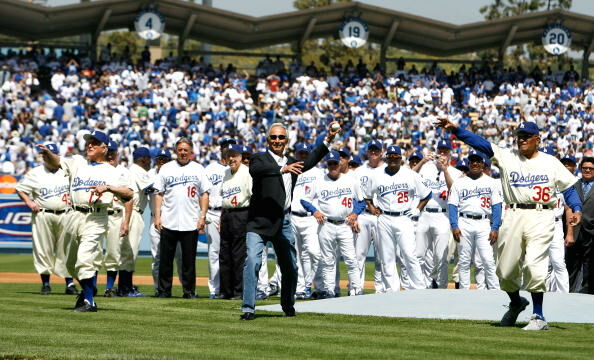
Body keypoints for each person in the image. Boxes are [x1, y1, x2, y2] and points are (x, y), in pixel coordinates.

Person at [435, 119, 582, 331]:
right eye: (519, 136)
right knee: (504, 270)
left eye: (526, 136)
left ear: (537, 139)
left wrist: (576, 208)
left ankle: (538, 316)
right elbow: (480, 143)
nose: (521, 139)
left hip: (541, 214)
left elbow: (569, 188)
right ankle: (515, 302)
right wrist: (456, 130)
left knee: (535, 265)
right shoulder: (507, 156)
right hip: (512, 213)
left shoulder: (551, 162)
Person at [239, 122, 339, 320]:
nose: (277, 141)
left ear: (287, 140)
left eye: (281, 138)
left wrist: (327, 139)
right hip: (259, 221)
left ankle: (287, 304)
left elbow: (310, 161)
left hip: (283, 219)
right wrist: (282, 169)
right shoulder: (260, 158)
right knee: (252, 262)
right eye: (274, 137)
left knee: (291, 266)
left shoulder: (292, 162)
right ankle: (248, 308)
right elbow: (257, 170)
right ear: (268, 140)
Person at [37, 130, 133, 312]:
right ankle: (89, 288)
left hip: (96, 217)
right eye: (88, 141)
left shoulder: (112, 171)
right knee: (70, 264)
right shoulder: (78, 164)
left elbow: (129, 194)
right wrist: (47, 153)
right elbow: (55, 161)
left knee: (84, 259)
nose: (89, 144)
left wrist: (109, 188)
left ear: (104, 148)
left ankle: (90, 301)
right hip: (73, 215)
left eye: (95, 142)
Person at [363, 145, 431, 291]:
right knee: (386, 257)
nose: (393, 159)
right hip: (384, 218)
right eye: (390, 157)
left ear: (401, 159)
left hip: (404, 217)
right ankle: (391, 291)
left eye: (396, 157)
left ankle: (418, 288)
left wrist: (418, 209)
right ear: (386, 158)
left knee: (409, 254)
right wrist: (371, 207)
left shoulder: (411, 174)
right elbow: (367, 196)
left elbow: (427, 194)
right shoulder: (376, 175)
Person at [16, 143, 78, 296]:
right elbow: (20, 189)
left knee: (67, 250)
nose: (46, 156)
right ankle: (45, 283)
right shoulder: (35, 173)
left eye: (49, 153)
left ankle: (70, 283)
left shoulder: (67, 171)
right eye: (44, 154)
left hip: (66, 213)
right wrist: (29, 202)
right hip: (43, 214)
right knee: (42, 249)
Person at [153, 138, 211, 298]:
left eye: (186, 150)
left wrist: (202, 216)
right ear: (176, 151)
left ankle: (189, 291)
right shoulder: (166, 168)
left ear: (191, 151)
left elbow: (204, 194)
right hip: (168, 220)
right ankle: (164, 291)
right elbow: (159, 194)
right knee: (165, 261)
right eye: (180, 150)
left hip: (190, 221)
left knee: (189, 261)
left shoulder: (198, 169)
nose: (183, 152)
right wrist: (157, 216)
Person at [301, 151, 363, 298]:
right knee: (327, 260)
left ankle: (357, 288)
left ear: (340, 163)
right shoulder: (319, 181)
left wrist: (355, 214)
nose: (333, 166)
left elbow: (361, 202)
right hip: (326, 224)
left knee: (350, 259)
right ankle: (329, 290)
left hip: (345, 224)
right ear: (326, 165)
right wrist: (314, 211)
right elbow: (304, 200)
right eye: (330, 164)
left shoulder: (350, 181)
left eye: (335, 163)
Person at [448, 149, 502, 290]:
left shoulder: (491, 182)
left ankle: (494, 291)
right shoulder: (459, 183)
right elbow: (452, 205)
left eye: (478, 161)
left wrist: (495, 227)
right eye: (472, 161)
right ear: (468, 163)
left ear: (483, 164)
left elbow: (497, 206)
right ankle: (465, 294)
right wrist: (454, 225)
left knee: (488, 261)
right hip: (464, 222)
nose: (475, 163)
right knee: (464, 262)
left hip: (484, 222)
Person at [414, 140, 463, 288]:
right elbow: (408, 176)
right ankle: (423, 286)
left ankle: (441, 288)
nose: (442, 154)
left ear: (450, 154)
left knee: (441, 256)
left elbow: (454, 192)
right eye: (440, 150)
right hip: (424, 214)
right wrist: (422, 161)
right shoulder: (426, 168)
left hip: (443, 215)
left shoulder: (456, 172)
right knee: (420, 255)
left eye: (445, 151)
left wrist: (445, 170)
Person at [218, 144, 252, 299]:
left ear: (240, 157)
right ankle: (225, 290)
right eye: (228, 155)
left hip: (241, 213)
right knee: (224, 254)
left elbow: (253, 196)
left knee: (238, 255)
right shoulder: (226, 172)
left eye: (234, 155)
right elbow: (224, 197)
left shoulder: (247, 172)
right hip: (226, 213)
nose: (231, 158)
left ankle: (238, 291)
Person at [290, 143, 323, 299]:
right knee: (297, 255)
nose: (303, 156)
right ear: (296, 154)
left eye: (305, 153)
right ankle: (301, 287)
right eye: (300, 153)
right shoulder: (292, 169)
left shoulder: (318, 172)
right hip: (293, 216)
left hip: (310, 217)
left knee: (314, 252)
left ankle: (316, 284)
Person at [352, 140, 386, 293]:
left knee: (381, 256)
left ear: (381, 152)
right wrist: (354, 216)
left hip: (381, 215)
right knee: (359, 255)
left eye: (376, 150)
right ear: (367, 151)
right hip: (363, 215)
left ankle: (380, 289)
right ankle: (357, 288)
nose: (373, 152)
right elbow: (353, 195)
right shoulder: (359, 171)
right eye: (371, 150)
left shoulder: (387, 169)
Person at [119, 146, 153, 297]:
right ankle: (125, 288)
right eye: (149, 159)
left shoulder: (131, 170)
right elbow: (153, 187)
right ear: (144, 159)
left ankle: (125, 286)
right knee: (130, 252)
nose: (150, 162)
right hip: (133, 212)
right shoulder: (138, 171)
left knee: (127, 252)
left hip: (130, 211)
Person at [203, 139, 232, 299]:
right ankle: (214, 289)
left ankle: (230, 288)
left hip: (229, 213)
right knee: (214, 252)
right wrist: (204, 214)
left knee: (231, 252)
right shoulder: (211, 168)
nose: (228, 149)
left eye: (231, 146)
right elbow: (203, 192)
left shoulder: (235, 168)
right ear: (220, 149)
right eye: (225, 146)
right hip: (213, 213)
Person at [102, 141, 131, 297]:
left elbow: (129, 197)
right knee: (91, 251)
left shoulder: (124, 172)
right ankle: (89, 286)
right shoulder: (96, 170)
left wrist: (126, 221)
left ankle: (109, 287)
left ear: (118, 154)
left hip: (115, 214)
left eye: (114, 152)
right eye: (108, 151)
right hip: (97, 214)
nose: (111, 155)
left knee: (113, 252)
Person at [565, 156, 594, 294]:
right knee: (571, 266)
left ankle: (587, 297)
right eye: (585, 168)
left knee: (590, 268)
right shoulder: (573, 185)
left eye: (591, 168)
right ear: (580, 169)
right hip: (575, 232)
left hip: (591, 233)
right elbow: (568, 207)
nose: (587, 170)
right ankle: (569, 295)